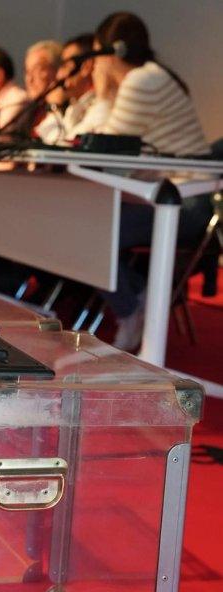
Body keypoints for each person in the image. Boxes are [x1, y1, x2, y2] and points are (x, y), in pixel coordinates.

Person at [90, 12, 211, 350]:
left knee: (89, 229)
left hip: (184, 203)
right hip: (166, 195)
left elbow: (106, 152)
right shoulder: (147, 76)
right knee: (86, 224)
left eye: (97, 55)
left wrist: (101, 95)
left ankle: (133, 306)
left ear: (110, 52)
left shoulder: (141, 81)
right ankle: (138, 299)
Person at [35, 34, 112, 144]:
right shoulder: (74, 107)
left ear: (86, 66)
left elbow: (66, 146)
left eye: (65, 65)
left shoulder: (100, 106)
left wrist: (55, 108)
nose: (59, 75)